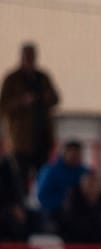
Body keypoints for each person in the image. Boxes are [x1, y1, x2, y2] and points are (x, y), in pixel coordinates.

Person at [0, 42, 60, 195]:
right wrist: (22, 101)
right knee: (20, 179)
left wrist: (46, 98)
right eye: (27, 56)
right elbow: (4, 106)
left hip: (42, 137)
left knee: (43, 177)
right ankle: (22, 205)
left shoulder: (42, 77)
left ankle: (39, 205)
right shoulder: (12, 79)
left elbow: (56, 98)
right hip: (21, 141)